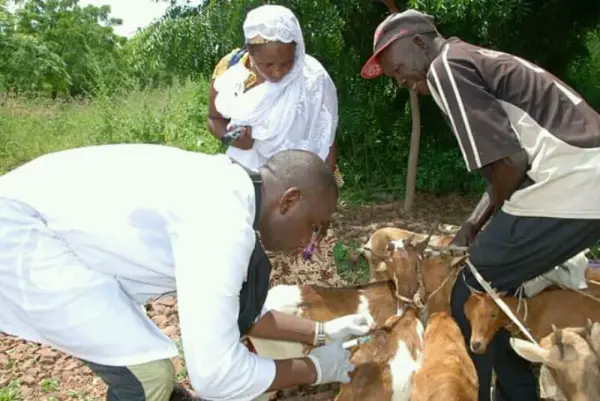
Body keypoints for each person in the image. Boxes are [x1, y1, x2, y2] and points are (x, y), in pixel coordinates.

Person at [0, 144, 371, 401]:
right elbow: (215, 377)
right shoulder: (221, 224)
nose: (311, 242)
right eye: (315, 226)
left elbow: (240, 316)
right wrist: (314, 370)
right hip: (21, 234)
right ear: (289, 200)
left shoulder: (232, 192)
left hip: (50, 230)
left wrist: (322, 332)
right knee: (148, 377)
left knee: (147, 373)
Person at [360, 9, 600, 401]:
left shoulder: (445, 68)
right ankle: (517, 391)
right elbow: (511, 163)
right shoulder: (469, 58)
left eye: (398, 67)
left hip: (570, 181)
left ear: (420, 43)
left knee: (472, 290)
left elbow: (510, 165)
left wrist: (484, 227)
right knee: (504, 289)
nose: (400, 79)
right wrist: (472, 227)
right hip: (583, 177)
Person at [207, 4, 344, 189]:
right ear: (250, 51)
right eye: (268, 64)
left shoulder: (314, 78)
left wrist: (327, 189)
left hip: (301, 182)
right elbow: (214, 119)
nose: (278, 73)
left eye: (287, 63)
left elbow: (326, 136)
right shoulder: (230, 72)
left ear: (297, 50)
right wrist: (232, 138)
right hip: (247, 181)